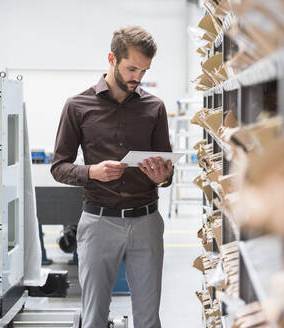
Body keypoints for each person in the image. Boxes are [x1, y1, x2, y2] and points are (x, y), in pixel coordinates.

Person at [51, 26, 173, 328]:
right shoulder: (78, 106)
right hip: (98, 222)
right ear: (112, 59)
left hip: (146, 221)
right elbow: (59, 166)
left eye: (144, 71)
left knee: (148, 319)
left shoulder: (154, 107)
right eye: (132, 68)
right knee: (93, 318)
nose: (137, 78)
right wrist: (92, 172)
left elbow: (167, 172)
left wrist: (162, 177)